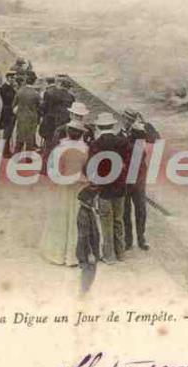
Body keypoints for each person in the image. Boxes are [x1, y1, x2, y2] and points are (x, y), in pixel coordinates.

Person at [40, 120, 89, 267]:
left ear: (68, 132)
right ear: (81, 135)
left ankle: (57, 253)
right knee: (77, 220)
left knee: (61, 218)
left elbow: (53, 172)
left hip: (63, 188)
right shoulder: (86, 149)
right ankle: (75, 255)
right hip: (79, 188)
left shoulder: (59, 149)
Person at [86, 112, 129, 263]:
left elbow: (91, 168)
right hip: (120, 186)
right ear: (112, 125)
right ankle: (121, 252)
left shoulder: (96, 144)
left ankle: (109, 255)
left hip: (104, 188)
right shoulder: (123, 142)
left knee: (106, 221)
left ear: (98, 126)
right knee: (119, 220)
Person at [120, 108, 161, 251]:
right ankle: (128, 240)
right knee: (125, 210)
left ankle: (141, 238)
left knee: (140, 210)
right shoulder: (118, 134)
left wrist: (144, 123)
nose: (127, 122)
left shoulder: (140, 131)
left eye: (130, 120)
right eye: (126, 119)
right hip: (124, 177)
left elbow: (155, 138)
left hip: (138, 177)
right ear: (122, 118)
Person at [76, 184, 103, 293]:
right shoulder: (84, 215)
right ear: (89, 200)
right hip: (87, 251)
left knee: (90, 272)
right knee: (89, 272)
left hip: (90, 248)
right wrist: (90, 253)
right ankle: (83, 292)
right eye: (95, 198)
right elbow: (83, 237)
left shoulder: (88, 211)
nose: (96, 200)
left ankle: (85, 289)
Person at [12, 74, 41, 154]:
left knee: (20, 137)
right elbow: (40, 107)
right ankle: (28, 159)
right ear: (34, 82)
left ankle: (16, 156)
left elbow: (14, 105)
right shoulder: (36, 94)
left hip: (21, 117)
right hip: (32, 118)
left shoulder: (20, 91)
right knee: (30, 139)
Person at [0, 71, 18, 158]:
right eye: (12, 78)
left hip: (8, 111)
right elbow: (9, 98)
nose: (13, 80)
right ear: (8, 78)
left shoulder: (7, 87)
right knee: (7, 132)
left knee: (8, 132)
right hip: (8, 112)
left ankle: (6, 150)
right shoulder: (5, 87)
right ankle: (5, 152)